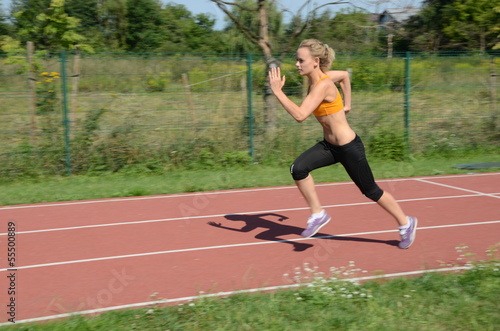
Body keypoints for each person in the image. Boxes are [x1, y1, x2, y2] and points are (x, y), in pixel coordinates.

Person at [268, 39, 417, 249]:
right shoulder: (325, 78)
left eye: (301, 60)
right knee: (298, 169)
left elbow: (300, 115)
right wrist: (348, 104)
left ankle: (405, 222)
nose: (297, 64)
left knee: (371, 191)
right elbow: (345, 76)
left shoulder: (323, 85)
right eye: (297, 60)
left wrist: (278, 92)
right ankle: (318, 213)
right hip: (329, 147)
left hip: (348, 148)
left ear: (315, 61)